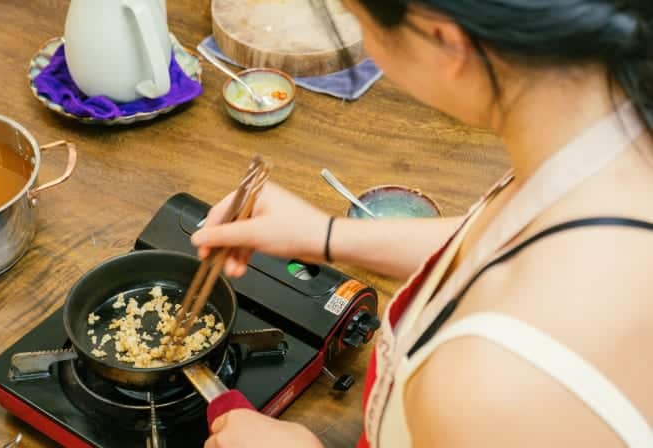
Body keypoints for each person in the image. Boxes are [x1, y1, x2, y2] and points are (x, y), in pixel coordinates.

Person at [196, 1, 653, 447]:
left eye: (356, 20)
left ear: (444, 41)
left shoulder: (485, 392)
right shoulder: (603, 127)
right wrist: (327, 235)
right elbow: (505, 245)